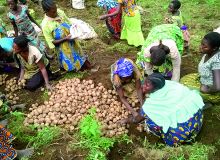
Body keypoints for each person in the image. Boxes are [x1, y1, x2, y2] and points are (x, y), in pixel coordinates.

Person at [119, 73, 204, 146]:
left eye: (147, 85)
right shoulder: (170, 84)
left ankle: (172, 140)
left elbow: (137, 119)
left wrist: (126, 120)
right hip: (197, 120)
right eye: (144, 83)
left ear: (156, 88)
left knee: (149, 122)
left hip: (182, 134)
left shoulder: (150, 105)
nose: (143, 86)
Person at [41, 0, 95, 72]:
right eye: (53, 12)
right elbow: (52, 42)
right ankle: (73, 69)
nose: (56, 13)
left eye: (56, 10)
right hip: (61, 45)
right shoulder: (45, 25)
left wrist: (74, 29)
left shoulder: (60, 12)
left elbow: (69, 23)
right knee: (68, 58)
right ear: (46, 12)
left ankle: (85, 65)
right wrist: (65, 39)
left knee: (78, 52)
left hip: (71, 38)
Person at [181, 32, 220, 104]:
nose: (201, 47)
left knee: (184, 88)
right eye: (201, 44)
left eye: (204, 46)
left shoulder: (216, 62)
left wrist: (205, 90)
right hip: (205, 80)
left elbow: (217, 87)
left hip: (212, 91)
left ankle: (207, 103)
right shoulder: (209, 53)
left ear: (214, 48)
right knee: (184, 80)